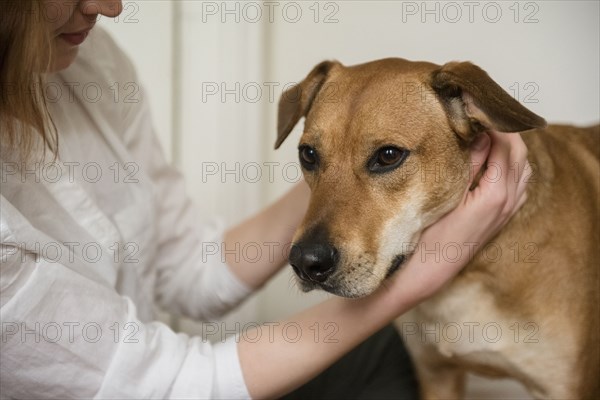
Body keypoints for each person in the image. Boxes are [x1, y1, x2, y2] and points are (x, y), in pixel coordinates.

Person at [0, 1, 530, 399]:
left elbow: (188, 273)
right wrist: (417, 278)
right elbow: (175, 385)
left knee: (390, 352)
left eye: (388, 156)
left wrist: (345, 149)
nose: (110, 6)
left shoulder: (85, 61)